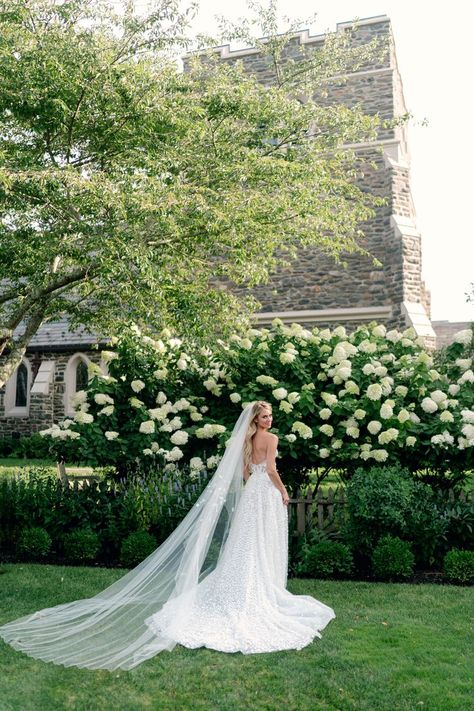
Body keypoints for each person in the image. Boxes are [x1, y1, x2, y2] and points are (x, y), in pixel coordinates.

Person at [0, 401, 335, 670]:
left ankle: (242, 586)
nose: (270, 420)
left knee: (245, 543)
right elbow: (272, 470)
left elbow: (246, 473)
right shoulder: (272, 441)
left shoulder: (247, 442)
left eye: (271, 416)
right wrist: (283, 491)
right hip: (265, 493)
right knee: (260, 542)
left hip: (251, 495)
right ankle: (259, 589)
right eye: (266, 416)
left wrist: (256, 484)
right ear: (258, 420)